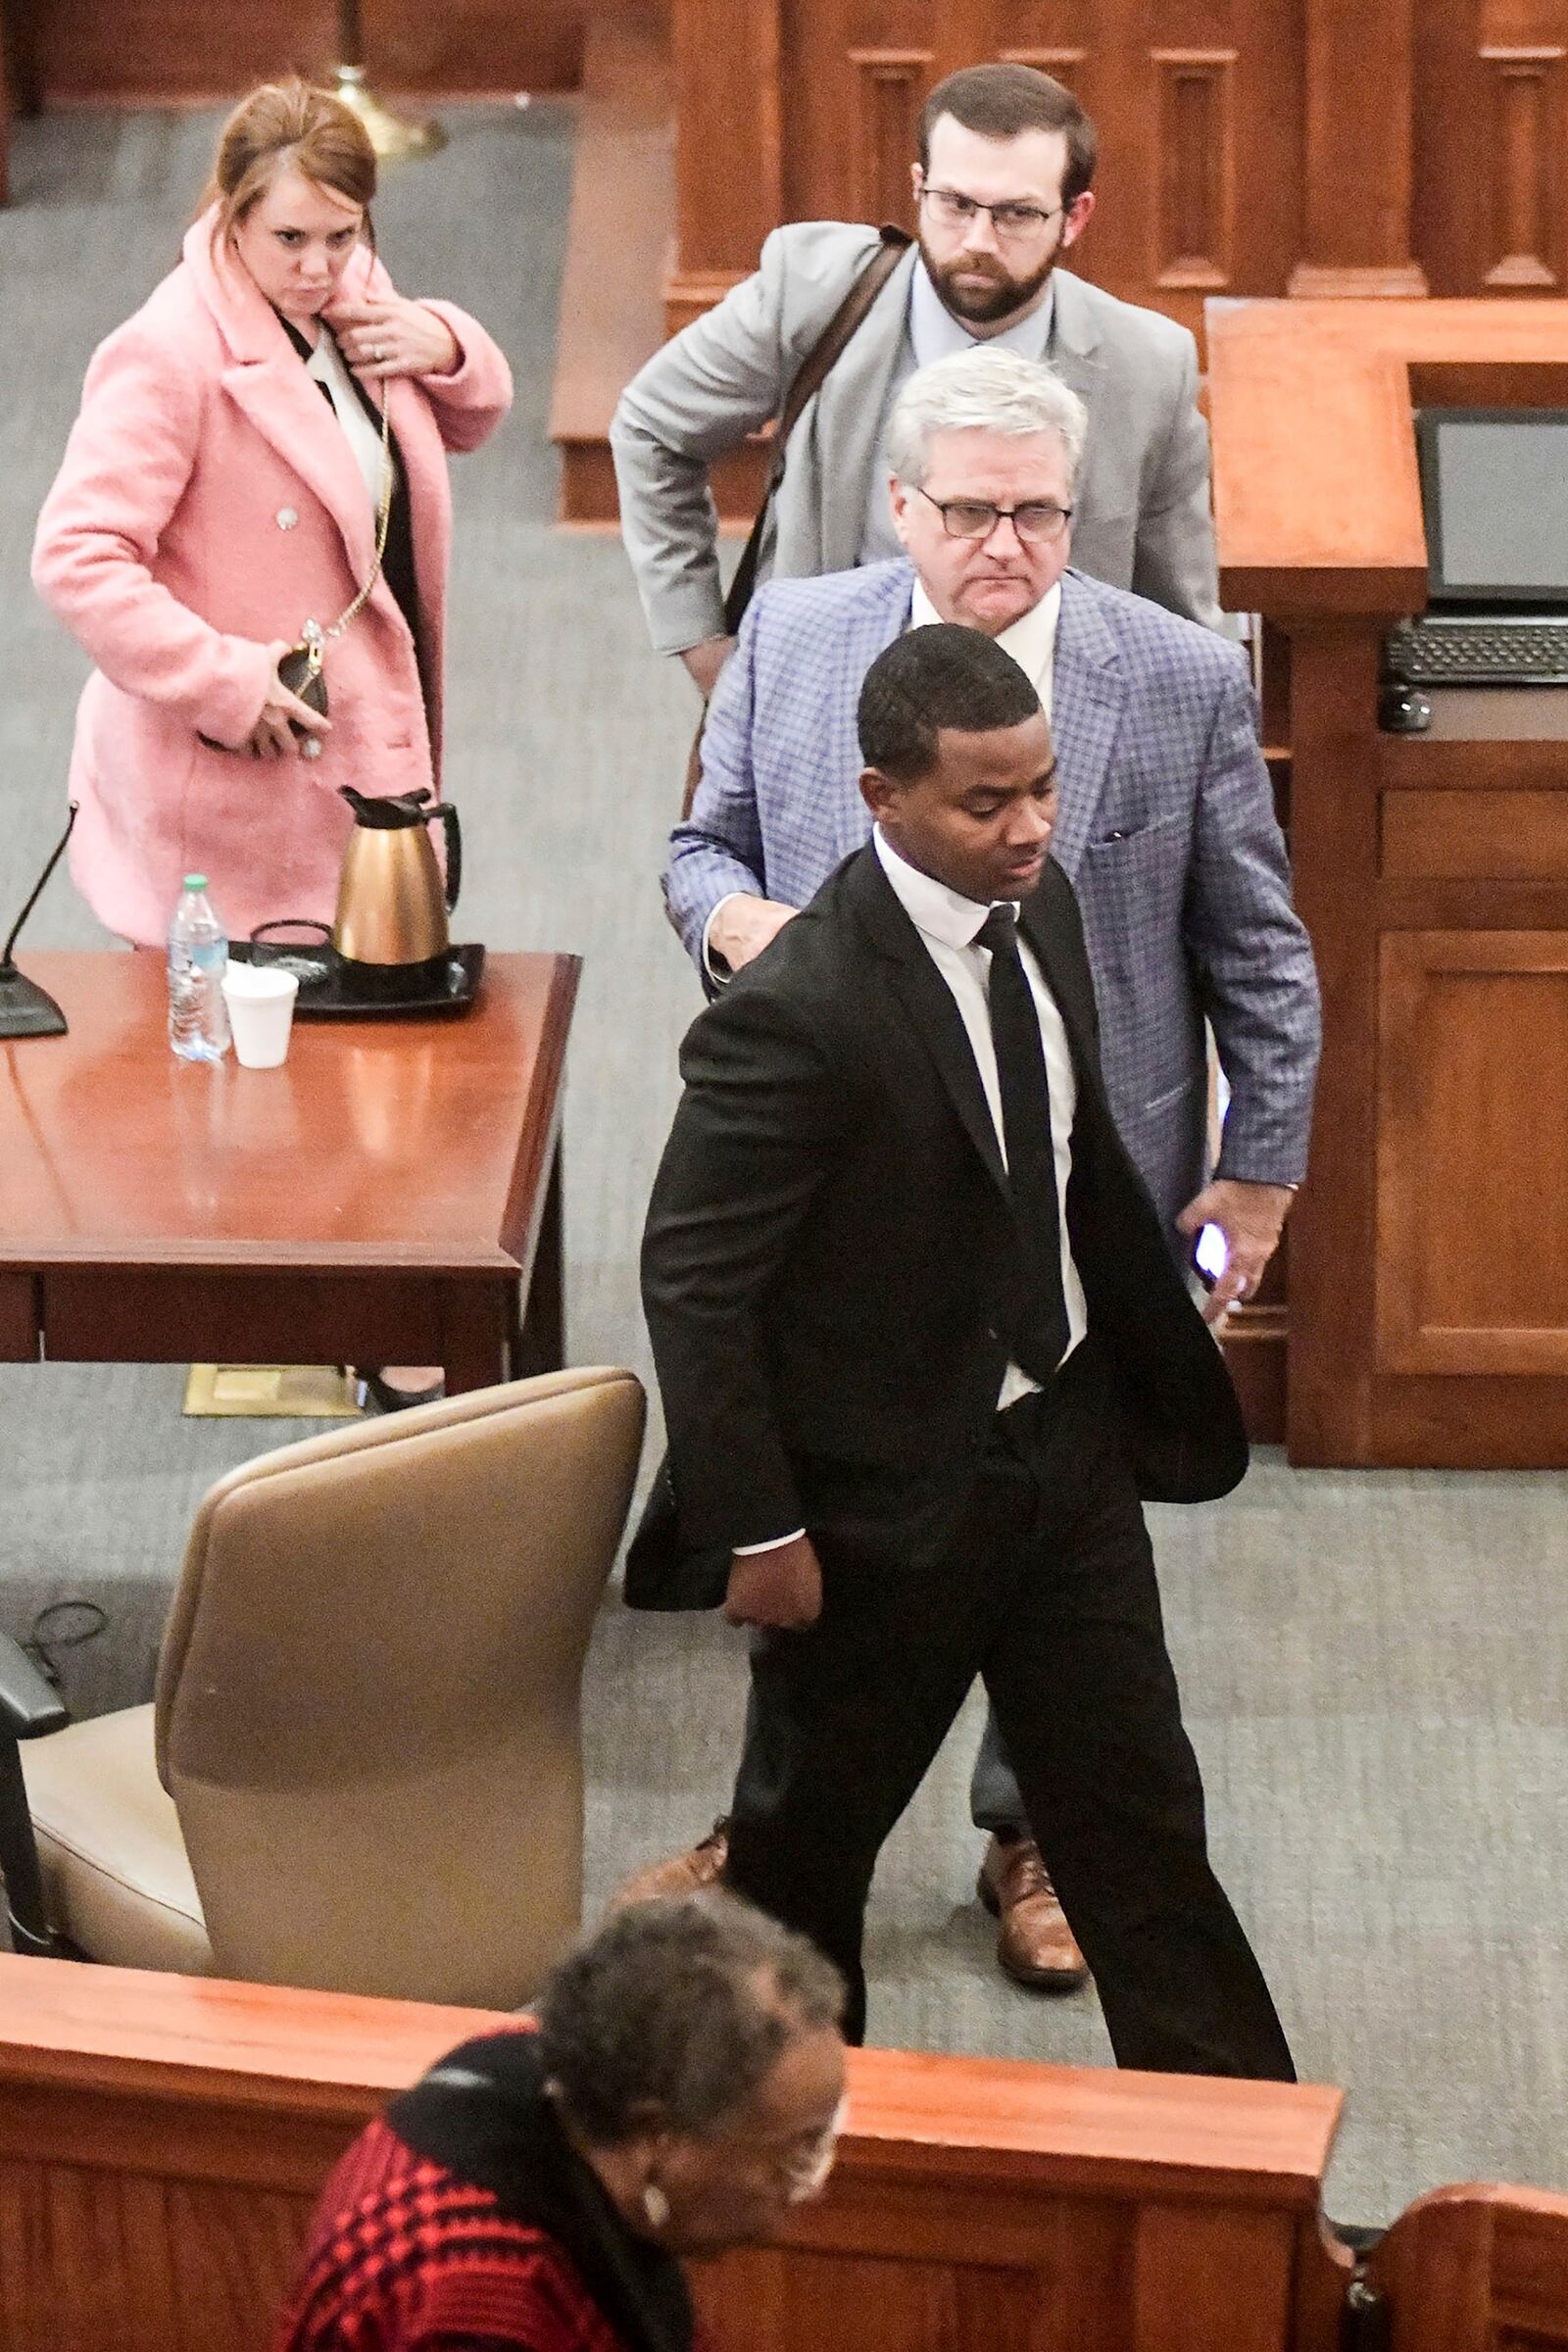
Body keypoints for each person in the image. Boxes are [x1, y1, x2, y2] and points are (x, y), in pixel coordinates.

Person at [619, 346, 1321, 1990]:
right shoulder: (791, 643)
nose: (1003, 544)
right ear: (900, 507)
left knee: (1077, 1629)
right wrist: (747, 929)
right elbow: (696, 847)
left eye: (1039, 513)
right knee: (846, 1608)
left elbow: (1258, 950)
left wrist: (1261, 1171)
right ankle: (789, 1834)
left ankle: (1030, 1836)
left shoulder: (1177, 676)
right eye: (971, 510)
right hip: (855, 1234)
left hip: (1074, 1222)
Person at [32, 75, 513, 951]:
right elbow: (75, 558)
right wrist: (226, 682)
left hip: (361, 749)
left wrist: (444, 343)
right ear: (234, 214)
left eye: (342, 235)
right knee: (237, 1065)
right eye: (290, 238)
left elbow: (463, 427)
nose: (317, 268)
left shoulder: (349, 288)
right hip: (237, 791)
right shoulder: (167, 351)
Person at [611, 61, 1221, 700]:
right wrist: (705, 645)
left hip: (1045, 733)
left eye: (1016, 214)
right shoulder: (812, 291)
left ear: (1074, 218)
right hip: (830, 700)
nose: (978, 240)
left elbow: (1182, 623)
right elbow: (653, 426)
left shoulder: (1148, 367)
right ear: (919, 187)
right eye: (956, 205)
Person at [275, 1893, 847, 2352]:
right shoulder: (480, 2302)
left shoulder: (533, 2063)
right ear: (659, 2136)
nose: (810, 2186)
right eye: (794, 2155)